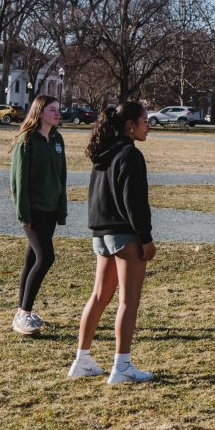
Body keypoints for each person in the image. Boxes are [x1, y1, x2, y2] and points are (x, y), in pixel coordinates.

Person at [68, 101, 157, 385]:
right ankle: (122, 366)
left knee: (98, 297)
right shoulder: (130, 153)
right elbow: (135, 203)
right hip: (125, 235)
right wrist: (146, 238)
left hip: (101, 233)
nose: (148, 126)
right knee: (128, 302)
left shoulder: (103, 153)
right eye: (145, 121)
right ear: (130, 124)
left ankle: (82, 360)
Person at [9, 95, 67, 336]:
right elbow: (18, 181)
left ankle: (22, 312)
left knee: (32, 259)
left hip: (51, 208)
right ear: (40, 112)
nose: (57, 114)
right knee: (46, 257)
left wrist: (61, 208)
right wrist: (24, 214)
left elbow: (61, 175)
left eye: (58, 110)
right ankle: (23, 314)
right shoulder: (26, 140)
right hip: (33, 210)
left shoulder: (57, 138)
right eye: (52, 110)